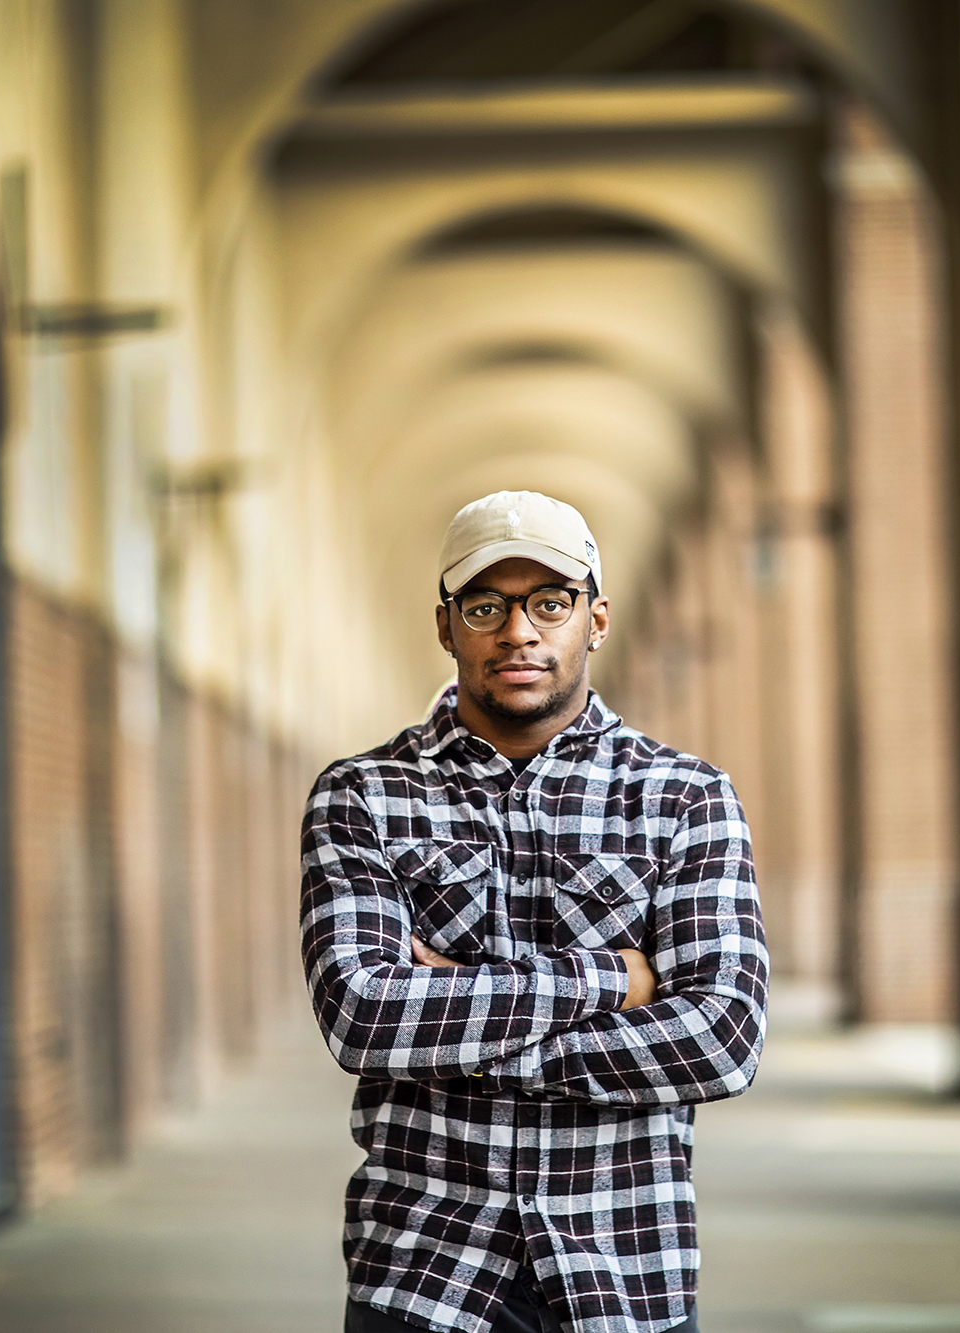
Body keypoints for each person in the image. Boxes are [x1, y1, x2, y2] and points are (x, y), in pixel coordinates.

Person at [300, 490, 770, 1333]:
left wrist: (465, 1032)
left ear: (596, 618)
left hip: (626, 1269)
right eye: (487, 605)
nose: (519, 631)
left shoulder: (685, 798)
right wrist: (615, 980)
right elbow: (363, 1018)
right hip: (421, 1271)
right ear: (446, 627)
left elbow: (722, 1037)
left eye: (550, 602)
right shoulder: (362, 795)